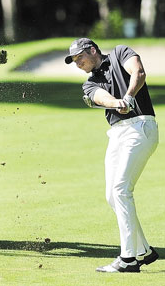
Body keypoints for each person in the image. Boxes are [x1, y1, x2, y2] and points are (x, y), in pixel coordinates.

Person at [65, 38, 159, 273]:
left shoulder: (120, 53)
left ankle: (128, 259)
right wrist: (117, 102)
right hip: (117, 133)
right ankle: (144, 250)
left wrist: (128, 97)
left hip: (140, 126)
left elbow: (138, 72)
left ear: (93, 50)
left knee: (121, 189)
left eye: (80, 58)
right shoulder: (89, 84)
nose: (78, 64)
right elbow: (99, 97)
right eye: (74, 61)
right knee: (111, 195)